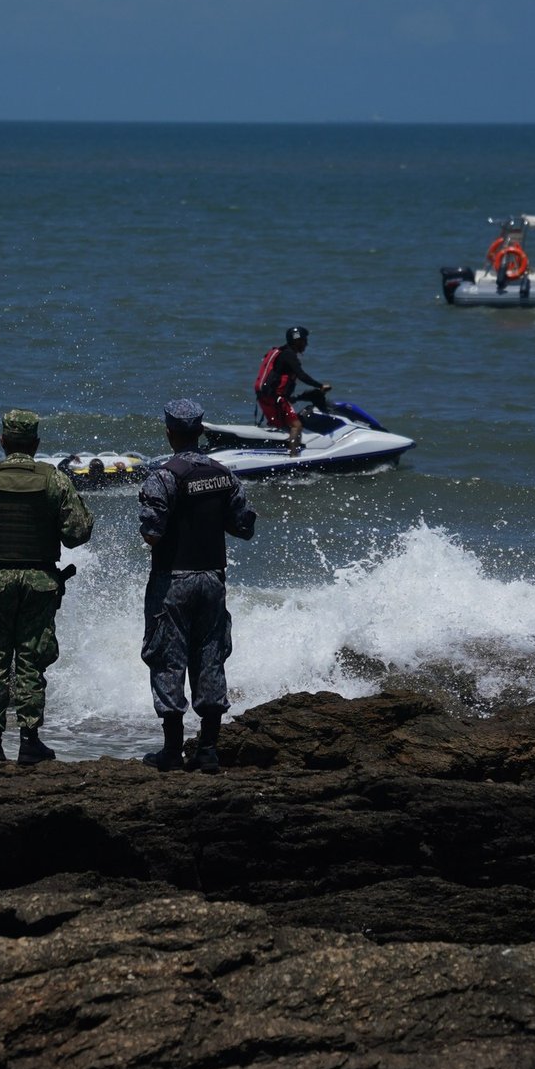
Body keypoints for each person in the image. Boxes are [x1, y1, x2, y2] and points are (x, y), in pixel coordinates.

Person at [0, 409, 94, 765]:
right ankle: (30, 741)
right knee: (31, 659)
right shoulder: (54, 480)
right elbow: (78, 533)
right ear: (36, 444)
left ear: (2, 441)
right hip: (40, 582)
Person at [138, 399, 257, 771]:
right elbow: (244, 527)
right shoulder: (225, 475)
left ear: (170, 433)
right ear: (201, 432)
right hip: (213, 579)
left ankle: (172, 751)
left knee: (167, 659)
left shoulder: (164, 476)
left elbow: (152, 535)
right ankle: (208, 750)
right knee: (210, 657)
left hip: (173, 580)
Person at [253, 326, 327, 456]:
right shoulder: (289, 355)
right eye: (304, 340)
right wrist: (320, 386)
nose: (306, 344)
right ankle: (293, 457)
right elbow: (301, 375)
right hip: (276, 398)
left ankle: (277, 451)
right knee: (296, 426)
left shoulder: (283, 353)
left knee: (282, 425)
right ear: (297, 341)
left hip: (265, 397)